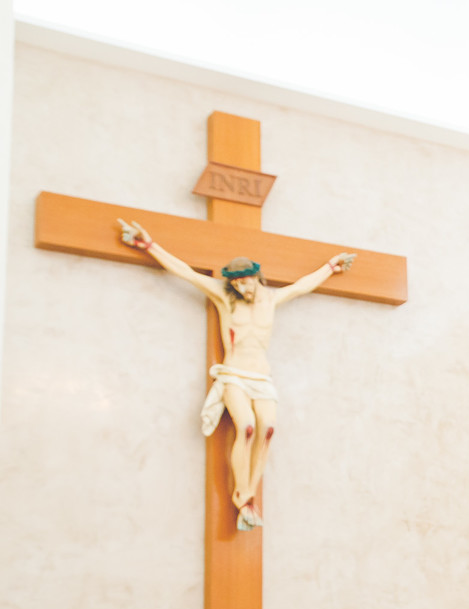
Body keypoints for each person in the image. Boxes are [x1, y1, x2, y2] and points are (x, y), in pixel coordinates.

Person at [117, 219, 354, 531]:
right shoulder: (223, 296)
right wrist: (149, 245)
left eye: (248, 282)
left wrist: (331, 266)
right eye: (238, 283)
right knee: (246, 427)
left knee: (267, 428)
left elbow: (303, 285)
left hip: (262, 378)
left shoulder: (271, 298)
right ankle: (240, 495)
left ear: (256, 277)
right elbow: (184, 272)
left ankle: (249, 493)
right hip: (234, 376)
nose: (244, 288)